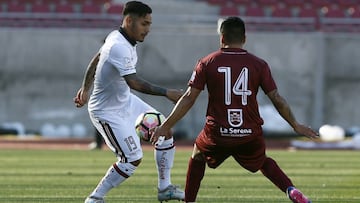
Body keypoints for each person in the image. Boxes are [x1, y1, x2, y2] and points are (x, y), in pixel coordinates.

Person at [151, 17, 319, 203]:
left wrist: (165, 126)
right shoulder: (259, 65)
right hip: (249, 132)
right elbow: (277, 99)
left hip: (218, 133)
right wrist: (295, 125)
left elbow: (189, 98)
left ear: (222, 38)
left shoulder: (207, 62)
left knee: (198, 153)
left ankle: (189, 201)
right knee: (262, 160)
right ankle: (291, 189)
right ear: (245, 38)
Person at [74, 1, 185, 202]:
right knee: (132, 159)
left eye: (149, 24)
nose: (148, 29)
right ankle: (95, 198)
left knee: (165, 130)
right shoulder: (118, 46)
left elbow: (96, 58)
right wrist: (166, 92)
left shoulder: (117, 38)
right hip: (106, 111)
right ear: (128, 20)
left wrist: (85, 88)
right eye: (144, 24)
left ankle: (165, 188)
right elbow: (134, 82)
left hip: (126, 102)